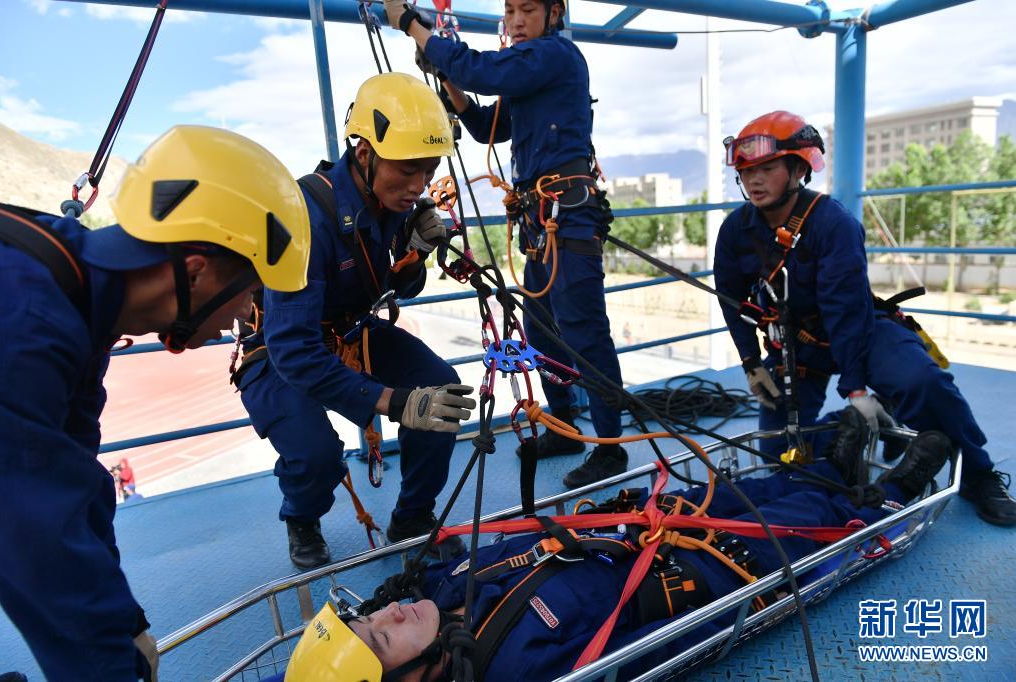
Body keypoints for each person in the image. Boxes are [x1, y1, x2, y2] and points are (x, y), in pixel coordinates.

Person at [275, 419, 954, 682]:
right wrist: (742, 603)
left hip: (633, 525)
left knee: (741, 489)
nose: (389, 615)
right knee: (798, 525)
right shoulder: (516, 668)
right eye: (382, 638)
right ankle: (890, 495)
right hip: (696, 572)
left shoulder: (436, 597)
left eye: (369, 617)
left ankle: (834, 466)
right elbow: (650, 648)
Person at [0, 125, 312, 682]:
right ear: (195, 270)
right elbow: (35, 536)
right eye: (248, 292)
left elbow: (75, 478)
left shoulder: (77, 297)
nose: (245, 315)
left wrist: (125, 620)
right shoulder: (28, 322)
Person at [712, 110, 1016, 527]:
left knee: (923, 383)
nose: (754, 181)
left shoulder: (833, 223)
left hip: (861, 329)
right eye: (747, 172)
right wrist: (751, 363)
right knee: (777, 451)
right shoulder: (736, 230)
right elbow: (733, 301)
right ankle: (852, 435)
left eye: (767, 169)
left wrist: (855, 387)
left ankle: (979, 475)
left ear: (798, 169)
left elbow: (847, 310)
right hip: (797, 344)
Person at [234, 73, 477, 571]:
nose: (418, 186)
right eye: (407, 169)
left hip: (350, 330)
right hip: (280, 345)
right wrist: (393, 402)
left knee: (440, 390)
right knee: (317, 454)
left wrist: (416, 253)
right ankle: (302, 517)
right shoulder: (306, 216)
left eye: (429, 170)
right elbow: (294, 350)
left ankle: (412, 517)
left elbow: (396, 288)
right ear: (365, 153)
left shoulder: (392, 203)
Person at [384, 0, 628, 489]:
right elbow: (483, 127)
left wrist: (413, 26)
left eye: (527, 10)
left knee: (584, 332)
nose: (516, 21)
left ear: (553, 14)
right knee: (541, 332)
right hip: (543, 223)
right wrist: (446, 77)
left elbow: (481, 70)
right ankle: (565, 427)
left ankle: (610, 447)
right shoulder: (530, 76)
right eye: (510, 11)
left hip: (567, 218)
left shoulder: (554, 56)